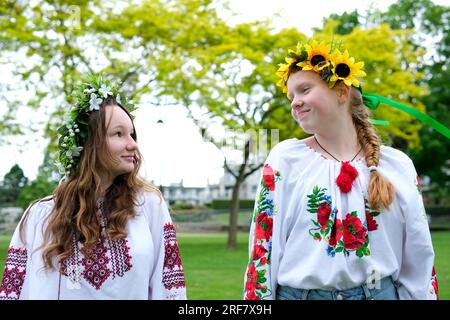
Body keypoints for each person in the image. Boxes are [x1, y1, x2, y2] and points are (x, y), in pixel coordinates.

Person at [243, 40, 440, 300]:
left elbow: (418, 251)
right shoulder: (285, 159)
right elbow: (263, 248)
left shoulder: (397, 165)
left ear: (341, 92)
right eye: (291, 97)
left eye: (304, 90)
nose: (295, 103)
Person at [0, 74, 186, 300]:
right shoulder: (40, 216)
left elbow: (169, 288)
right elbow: (15, 293)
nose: (133, 144)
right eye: (118, 133)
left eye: (132, 134)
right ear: (90, 144)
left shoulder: (148, 206)